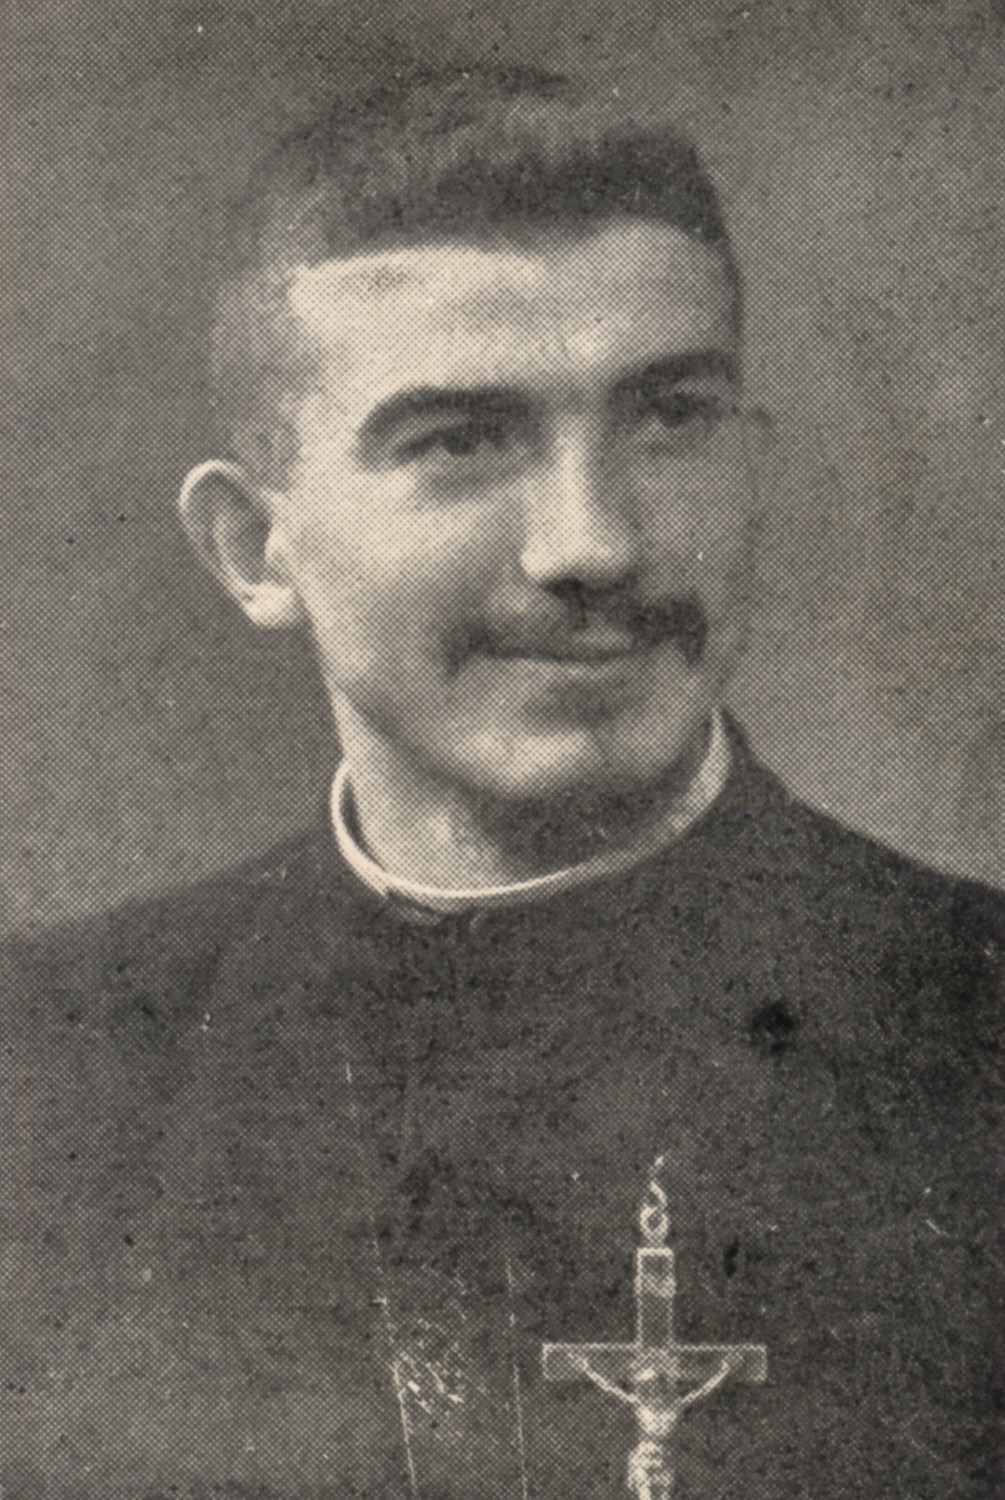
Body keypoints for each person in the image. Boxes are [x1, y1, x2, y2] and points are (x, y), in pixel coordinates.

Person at [3, 64, 1002, 1500]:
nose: (590, 544)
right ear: (254, 550)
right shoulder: (49, 1073)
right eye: (461, 442)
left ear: (755, 465)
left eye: (668, 417)